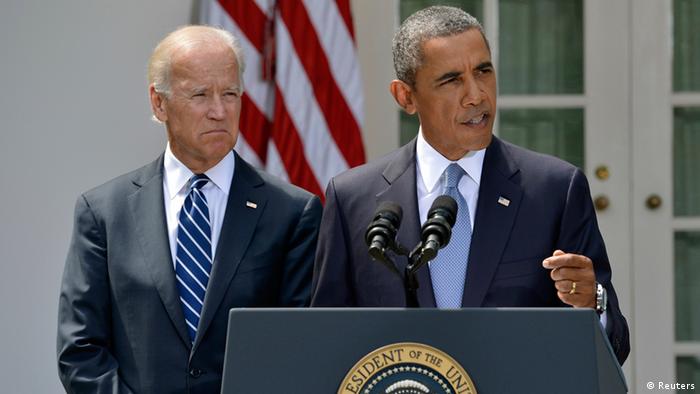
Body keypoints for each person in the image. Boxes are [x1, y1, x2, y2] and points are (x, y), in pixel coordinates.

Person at [310, 6, 629, 365]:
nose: (476, 95)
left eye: (483, 71)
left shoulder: (555, 190)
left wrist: (592, 303)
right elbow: (326, 342)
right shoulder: (354, 198)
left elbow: (614, 348)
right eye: (451, 80)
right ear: (406, 97)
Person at [57, 25, 322, 393]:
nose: (219, 111)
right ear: (159, 102)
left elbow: (299, 348)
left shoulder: (293, 212)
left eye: (230, 93)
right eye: (200, 94)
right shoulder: (103, 212)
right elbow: (81, 350)